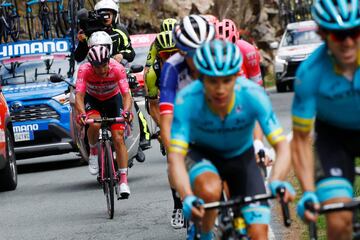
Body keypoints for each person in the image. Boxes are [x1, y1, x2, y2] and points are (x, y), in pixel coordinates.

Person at [168, 39, 295, 240]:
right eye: (212, 81)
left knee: (259, 233)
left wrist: (278, 181)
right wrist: (187, 196)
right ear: (200, 78)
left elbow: (282, 146)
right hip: (203, 156)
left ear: (237, 76)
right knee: (209, 191)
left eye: (227, 80)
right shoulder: (187, 100)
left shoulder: (253, 94)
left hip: (241, 158)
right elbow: (175, 157)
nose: (220, 89)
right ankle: (205, 233)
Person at [291, 0, 360, 239]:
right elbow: (300, 140)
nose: (348, 42)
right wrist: (308, 191)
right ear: (322, 33)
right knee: (339, 219)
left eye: (354, 32)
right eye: (339, 35)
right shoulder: (309, 73)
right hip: (334, 139)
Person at [159, 14, 216, 229]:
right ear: (182, 52)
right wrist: (174, 153)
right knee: (177, 164)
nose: (201, 59)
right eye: (193, 54)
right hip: (185, 124)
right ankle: (183, 203)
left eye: (205, 51)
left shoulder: (219, 59)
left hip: (213, 122)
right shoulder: (172, 68)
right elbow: (167, 120)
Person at [75, 45, 132, 198]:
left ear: (109, 61)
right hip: (92, 100)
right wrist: (81, 114)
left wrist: (126, 112)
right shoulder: (84, 69)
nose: (101, 70)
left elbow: (126, 95)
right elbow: (79, 96)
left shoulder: (117, 68)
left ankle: (123, 181)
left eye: (104, 65)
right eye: (97, 67)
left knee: (118, 137)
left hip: (113, 100)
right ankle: (93, 151)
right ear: (91, 65)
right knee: (94, 123)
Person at [215, 18, 272, 165]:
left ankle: (259, 146)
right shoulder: (208, 54)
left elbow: (258, 90)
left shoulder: (248, 50)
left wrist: (258, 143)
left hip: (245, 86)